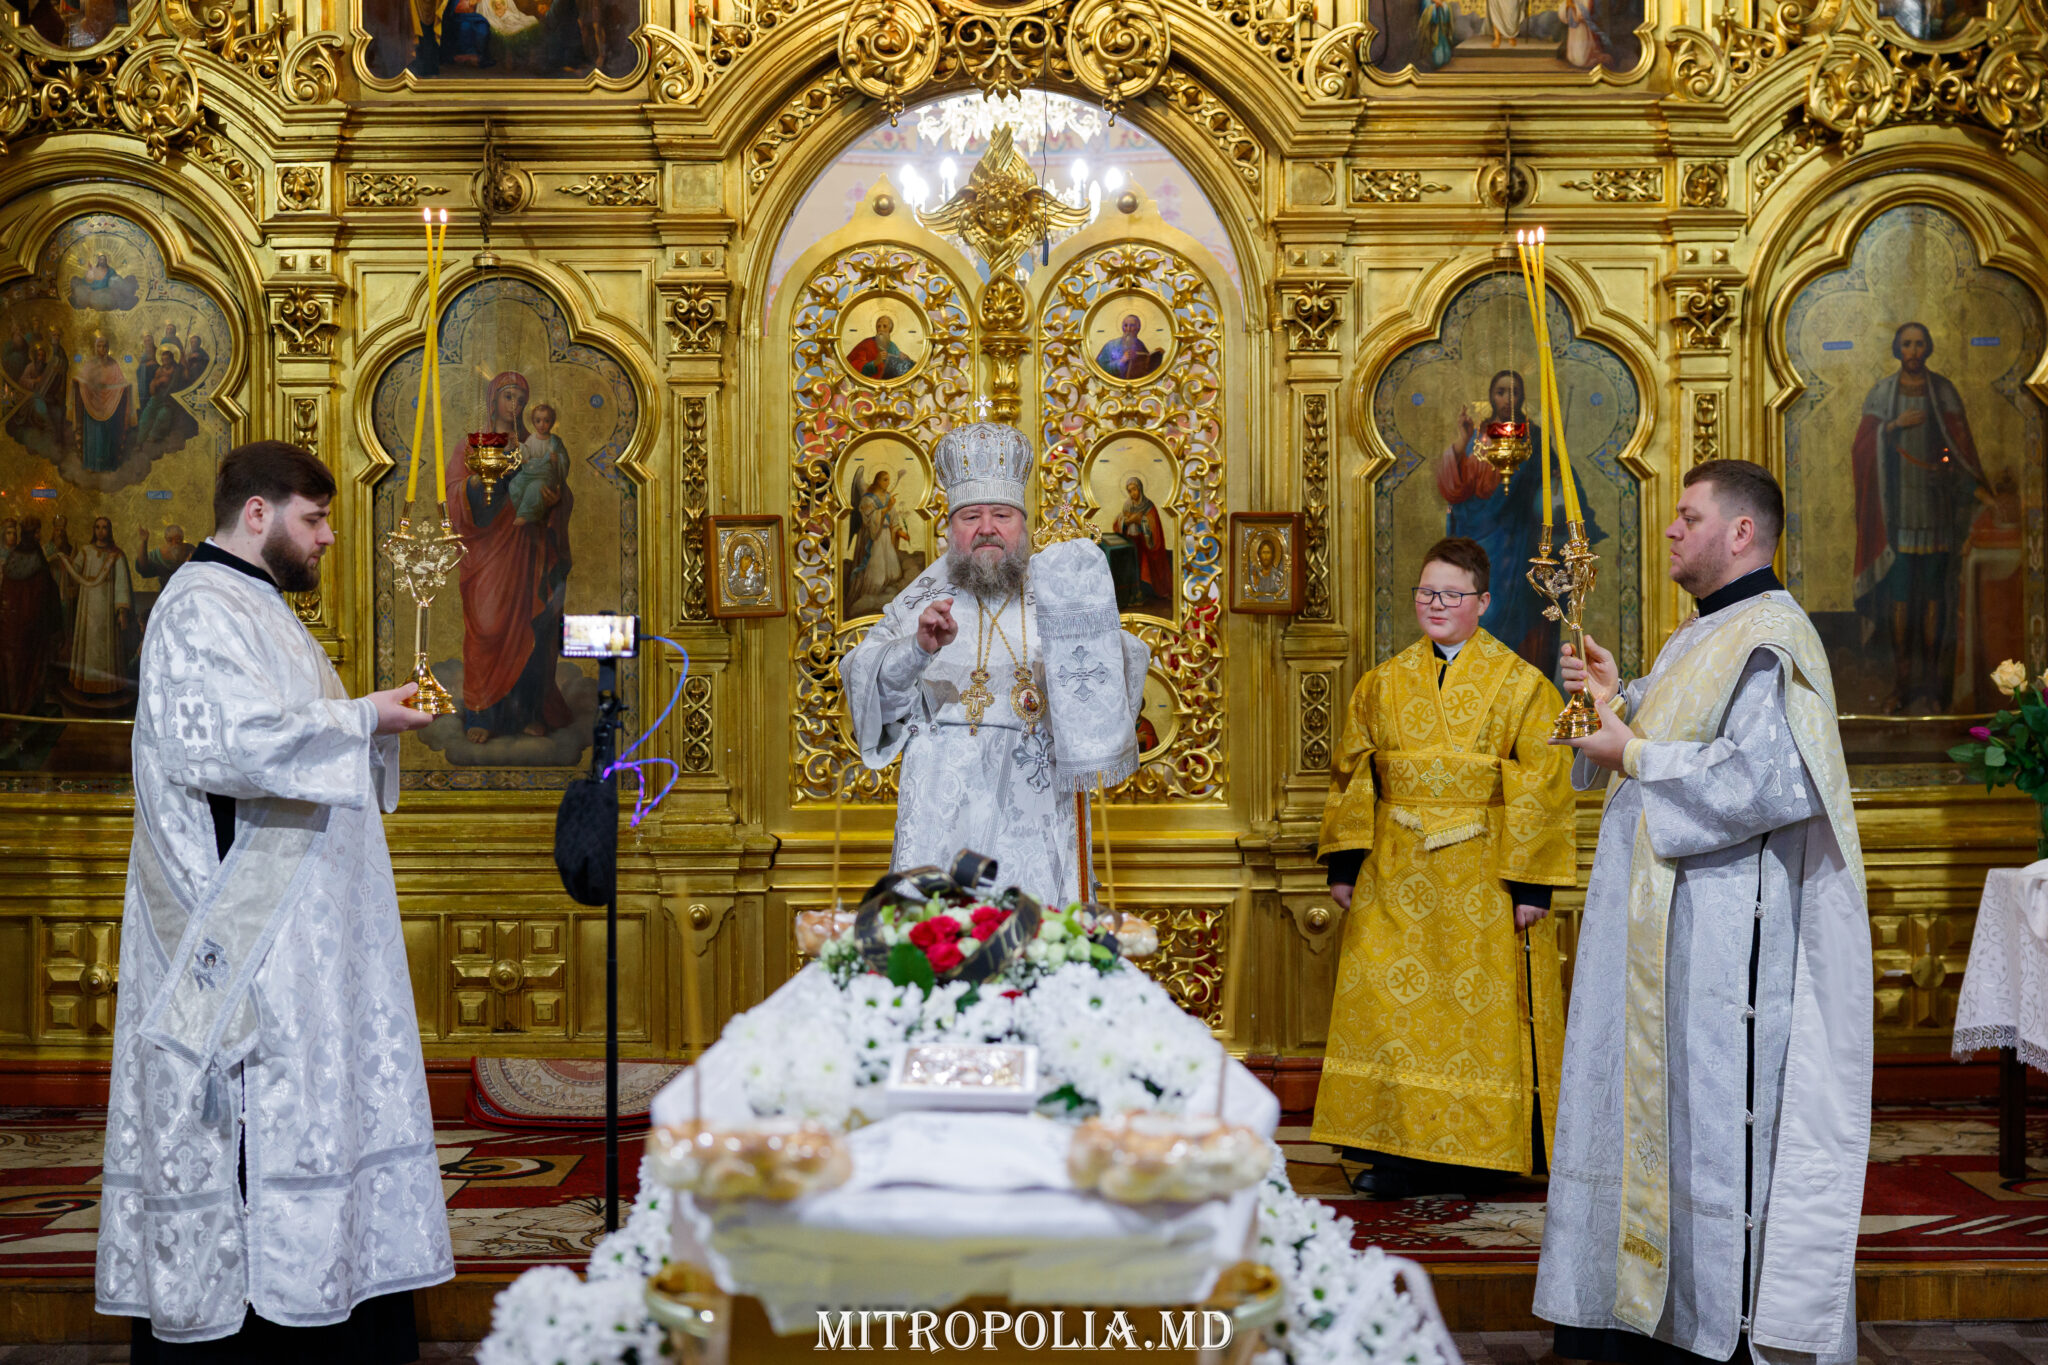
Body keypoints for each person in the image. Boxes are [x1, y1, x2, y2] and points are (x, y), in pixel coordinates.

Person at [96, 440, 449, 1360]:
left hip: (302, 950)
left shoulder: (257, 607)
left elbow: (290, 738)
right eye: (314, 518)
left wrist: (373, 722)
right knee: (256, 1139)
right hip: (248, 950)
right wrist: (367, 716)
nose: (327, 537)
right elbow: (235, 745)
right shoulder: (199, 607)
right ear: (258, 513)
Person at [1534, 459, 1870, 1365]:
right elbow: (1670, 736)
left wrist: (1632, 752)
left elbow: (1769, 780)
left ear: (1742, 532)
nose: (1671, 529)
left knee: (1711, 1137)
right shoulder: (1700, 634)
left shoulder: (1773, 636)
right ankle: (1635, 1313)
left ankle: (1715, 1329)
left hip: (1725, 949)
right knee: (1648, 1123)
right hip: (1659, 938)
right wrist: (1617, 698)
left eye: (1689, 516)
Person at [1314, 536, 1576, 1199]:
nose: (1435, 604)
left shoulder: (1522, 685)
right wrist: (1345, 864)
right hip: (1393, 873)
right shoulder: (1382, 682)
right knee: (1389, 1012)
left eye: (1451, 594)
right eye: (1426, 592)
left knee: (1475, 1020)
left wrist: (1532, 886)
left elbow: (1543, 784)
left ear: (1481, 602)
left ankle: (1479, 1156)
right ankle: (1395, 1154)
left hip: (1484, 879)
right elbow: (1353, 772)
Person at [840, 421, 1149, 905]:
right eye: (971, 516)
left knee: (1042, 941)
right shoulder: (918, 602)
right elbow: (868, 683)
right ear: (949, 529)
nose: (987, 528)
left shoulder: (1059, 596)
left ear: (1022, 525)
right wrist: (917, 649)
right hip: (943, 817)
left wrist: (1090, 633)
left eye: (1002, 514)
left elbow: (1113, 684)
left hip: (1040, 814)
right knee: (940, 941)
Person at [1850, 321, 1989, 714]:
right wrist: (1893, 426)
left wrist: (1980, 491)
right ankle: (1901, 683)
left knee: (1932, 599)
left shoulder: (1942, 391)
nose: (1913, 351)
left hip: (1935, 511)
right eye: (1907, 344)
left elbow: (1960, 449)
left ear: (1928, 349)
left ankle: (1931, 686)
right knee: (1899, 599)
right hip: (1894, 515)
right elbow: (1862, 447)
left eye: (1919, 344)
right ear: (1898, 349)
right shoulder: (1883, 393)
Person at [1437, 368, 1604, 678]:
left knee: (1521, 610)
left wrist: (1555, 475)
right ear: (1491, 396)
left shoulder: (1534, 436)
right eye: (1501, 391)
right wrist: (1461, 441)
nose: (1507, 398)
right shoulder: (1479, 436)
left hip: (1523, 540)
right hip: (1485, 536)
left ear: (1523, 396)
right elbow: (1456, 488)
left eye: (1514, 391)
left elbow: (1555, 477)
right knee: (1488, 605)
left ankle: (1522, 677)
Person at [450, 370, 573, 745]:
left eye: (520, 399)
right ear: (493, 400)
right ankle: (483, 714)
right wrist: (475, 483)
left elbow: (557, 486)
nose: (514, 405)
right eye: (508, 397)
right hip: (488, 551)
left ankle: (527, 713)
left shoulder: (534, 443)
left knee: (530, 625)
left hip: (527, 549)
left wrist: (554, 500)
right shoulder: (473, 446)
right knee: (488, 628)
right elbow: (453, 493)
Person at [50, 515, 131, 698]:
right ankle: (87, 686)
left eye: (104, 527)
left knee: (105, 647)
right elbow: (75, 570)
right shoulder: (86, 551)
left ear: (109, 531)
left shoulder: (116, 555)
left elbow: (121, 584)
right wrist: (64, 559)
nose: (101, 531)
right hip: (87, 606)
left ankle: (107, 687)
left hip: (107, 607)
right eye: (97, 527)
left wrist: (121, 611)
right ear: (94, 530)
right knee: (88, 644)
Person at [72, 331, 132, 473]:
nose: (102, 349)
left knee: (107, 435)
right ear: (95, 348)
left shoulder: (114, 364)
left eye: (105, 346)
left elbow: (120, 382)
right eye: (99, 346)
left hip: (110, 406)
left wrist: (126, 386)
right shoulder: (89, 365)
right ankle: (92, 465)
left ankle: (107, 466)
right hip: (92, 404)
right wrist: (78, 381)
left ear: (108, 348)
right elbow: (82, 379)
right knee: (94, 435)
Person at [506, 400, 569, 526]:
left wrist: (557, 459)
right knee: (515, 485)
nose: (542, 425)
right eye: (538, 421)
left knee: (535, 488)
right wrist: (519, 448)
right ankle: (524, 510)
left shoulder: (555, 441)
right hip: (530, 473)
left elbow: (564, 461)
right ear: (533, 422)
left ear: (552, 422)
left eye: (546, 421)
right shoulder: (531, 439)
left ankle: (526, 515)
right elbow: (526, 454)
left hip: (545, 476)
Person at [846, 314, 915, 381]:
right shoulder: (866, 343)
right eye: (878, 326)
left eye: (885, 326)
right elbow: (853, 366)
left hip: (890, 383)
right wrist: (875, 362)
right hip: (869, 383)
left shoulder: (893, 346)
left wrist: (905, 359)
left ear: (890, 330)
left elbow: (900, 367)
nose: (881, 329)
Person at [1094, 314, 1162, 381]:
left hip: (1137, 383)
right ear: (1122, 327)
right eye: (1125, 325)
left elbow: (1146, 368)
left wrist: (1156, 358)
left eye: (1132, 326)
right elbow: (1100, 368)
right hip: (1116, 384)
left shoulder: (1140, 345)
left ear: (1138, 328)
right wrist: (1122, 361)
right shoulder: (1110, 345)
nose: (1128, 329)